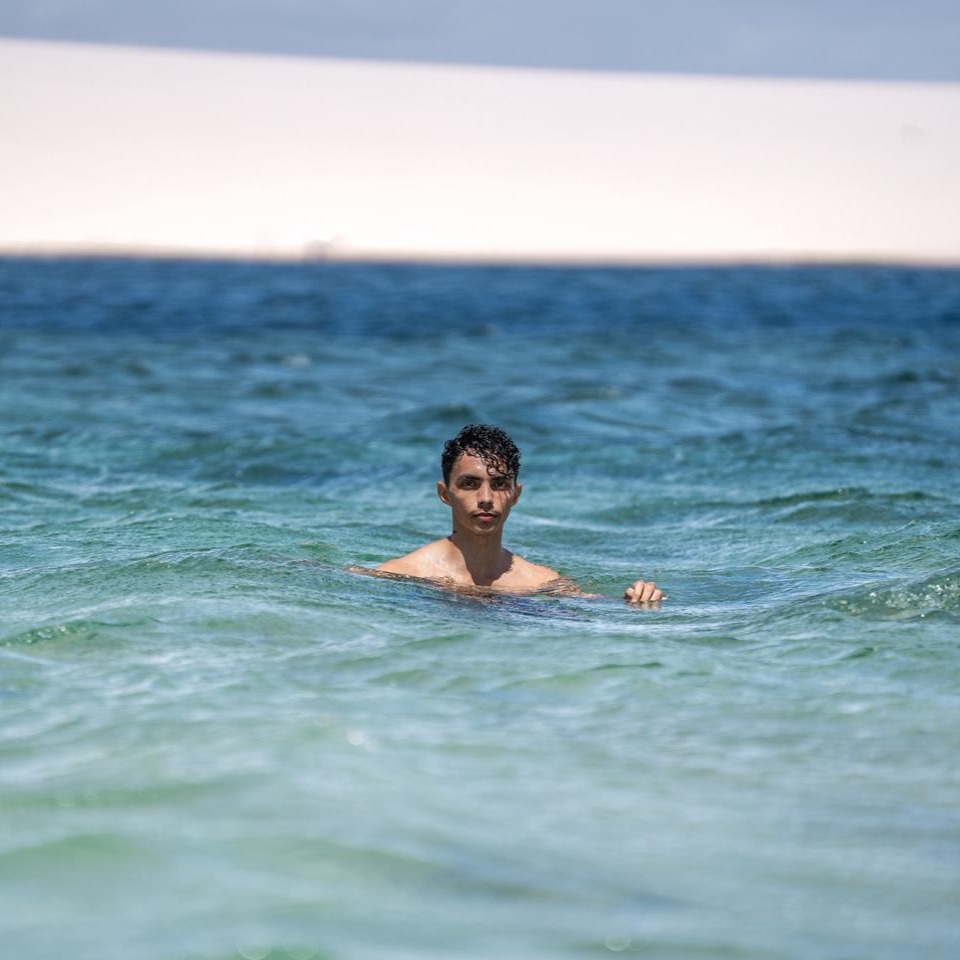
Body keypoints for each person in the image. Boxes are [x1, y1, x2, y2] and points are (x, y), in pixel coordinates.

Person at [365, 424, 665, 605]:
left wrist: (639, 601)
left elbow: (600, 611)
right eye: (470, 484)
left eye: (499, 485)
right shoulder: (403, 575)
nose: (485, 498)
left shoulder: (540, 582)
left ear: (515, 495)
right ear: (445, 493)